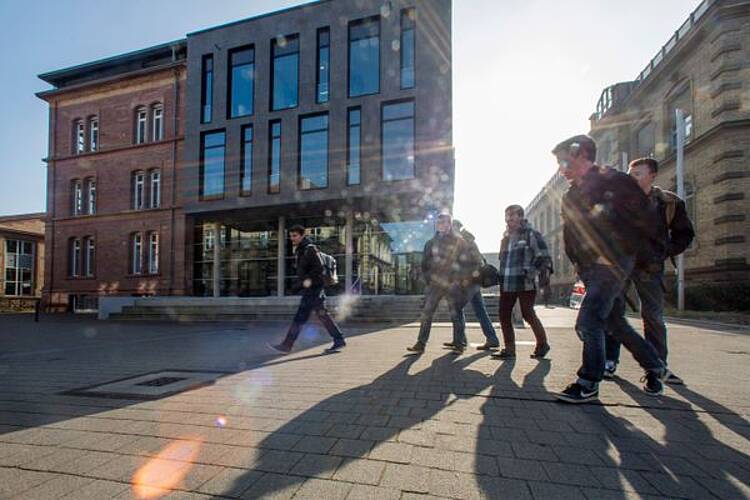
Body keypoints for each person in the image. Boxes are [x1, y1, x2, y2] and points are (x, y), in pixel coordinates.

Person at [552, 134, 667, 403]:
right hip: (590, 267)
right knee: (614, 322)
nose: (561, 168)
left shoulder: (615, 182)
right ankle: (655, 365)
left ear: (581, 155)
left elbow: (644, 221)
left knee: (588, 321)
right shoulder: (570, 196)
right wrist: (579, 263)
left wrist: (619, 255)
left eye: (564, 160)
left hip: (612, 263)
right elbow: (572, 234)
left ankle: (589, 381)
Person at [604, 157, 695, 384]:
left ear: (652, 176)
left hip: (650, 266)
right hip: (620, 264)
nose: (631, 178)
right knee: (613, 312)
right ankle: (609, 361)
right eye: (630, 173)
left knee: (652, 315)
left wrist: (665, 251)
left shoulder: (668, 203)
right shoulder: (618, 202)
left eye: (637, 174)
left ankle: (657, 367)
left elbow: (685, 234)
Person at [407, 212, 481, 354]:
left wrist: (459, 281)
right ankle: (420, 344)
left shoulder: (459, 242)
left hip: (453, 284)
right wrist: (429, 280)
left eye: (445, 222)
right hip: (435, 284)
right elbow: (425, 264)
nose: (442, 225)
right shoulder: (430, 243)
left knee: (456, 313)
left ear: (450, 224)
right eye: (439, 222)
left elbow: (466, 262)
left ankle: (459, 344)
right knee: (427, 313)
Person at [270, 225, 346, 354]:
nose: (292, 238)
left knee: (300, 317)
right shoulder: (301, 249)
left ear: (302, 236)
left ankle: (287, 345)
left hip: (314, 289)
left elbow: (319, 269)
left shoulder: (309, 249)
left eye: (295, 236)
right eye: (291, 236)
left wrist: (305, 282)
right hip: (313, 288)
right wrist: (300, 285)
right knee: (322, 315)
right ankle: (339, 339)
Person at [492, 205, 552, 360]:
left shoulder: (531, 234)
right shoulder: (504, 238)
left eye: (512, 215)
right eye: (507, 216)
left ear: (521, 216)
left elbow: (544, 257)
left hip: (525, 282)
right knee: (504, 315)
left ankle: (542, 344)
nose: (509, 218)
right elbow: (503, 260)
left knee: (527, 313)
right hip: (507, 282)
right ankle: (509, 349)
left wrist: (531, 272)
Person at [442, 220, 501, 351]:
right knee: (480, 310)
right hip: (473, 281)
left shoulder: (464, 241)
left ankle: (460, 342)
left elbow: (472, 261)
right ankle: (491, 338)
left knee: (456, 308)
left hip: (470, 281)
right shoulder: (465, 240)